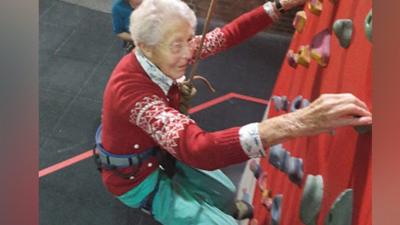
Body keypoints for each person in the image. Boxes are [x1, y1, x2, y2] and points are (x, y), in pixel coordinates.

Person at [95, 0, 372, 224]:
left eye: (190, 39)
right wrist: (300, 121)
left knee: (226, 194)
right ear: (145, 48)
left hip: (160, 152)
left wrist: (277, 5)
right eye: (177, 45)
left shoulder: (165, 51)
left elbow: (226, 35)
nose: (188, 52)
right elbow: (198, 149)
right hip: (137, 180)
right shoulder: (132, 92)